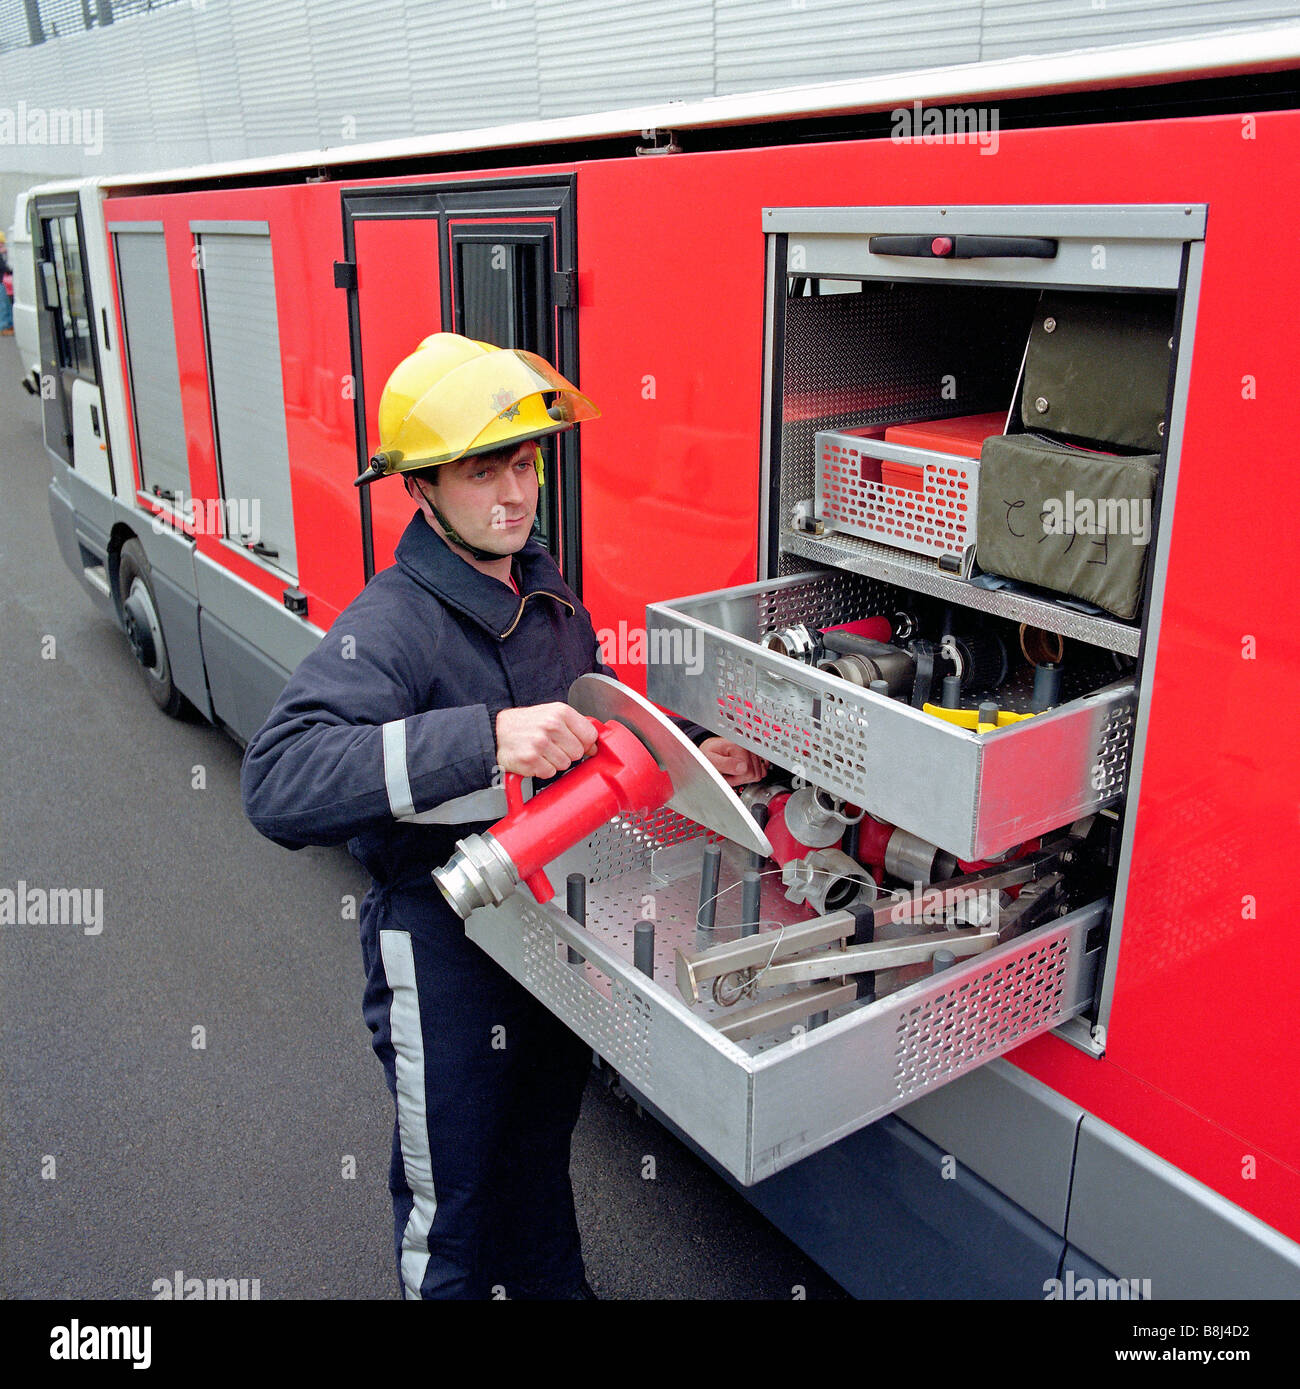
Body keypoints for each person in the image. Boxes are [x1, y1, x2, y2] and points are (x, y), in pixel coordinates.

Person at [241, 333, 765, 1299]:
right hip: (442, 953)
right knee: (459, 1211)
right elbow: (275, 781)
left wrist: (684, 753)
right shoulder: (388, 623)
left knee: (537, 1164)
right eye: (484, 471)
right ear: (423, 489)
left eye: (525, 464)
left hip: (547, 937)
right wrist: (483, 738)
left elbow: (587, 722)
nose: (516, 493)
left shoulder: (545, 592)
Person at [0, 230, 14, 336]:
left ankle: (9, 324)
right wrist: (11, 270)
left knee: (7, 304)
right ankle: (4, 327)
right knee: (4, 305)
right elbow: (3, 267)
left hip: (2, 282)